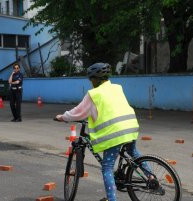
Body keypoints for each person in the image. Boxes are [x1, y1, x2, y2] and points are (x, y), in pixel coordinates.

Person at [56, 62, 148, 201]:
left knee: (107, 167)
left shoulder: (94, 94)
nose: (90, 82)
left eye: (91, 79)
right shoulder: (117, 88)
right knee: (133, 152)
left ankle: (112, 199)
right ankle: (151, 178)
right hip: (131, 126)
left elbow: (78, 112)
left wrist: (63, 117)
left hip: (115, 133)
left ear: (95, 79)